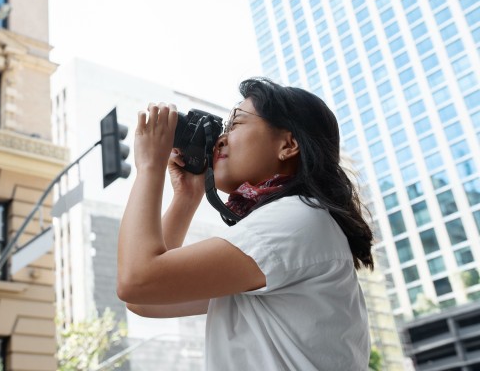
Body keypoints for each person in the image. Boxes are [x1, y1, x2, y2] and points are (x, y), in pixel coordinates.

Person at [116, 77, 374, 370]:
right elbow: (147, 299)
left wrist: (149, 166)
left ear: (288, 145)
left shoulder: (294, 219)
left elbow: (138, 281)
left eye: (236, 124)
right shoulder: (300, 223)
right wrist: (187, 197)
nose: (221, 139)